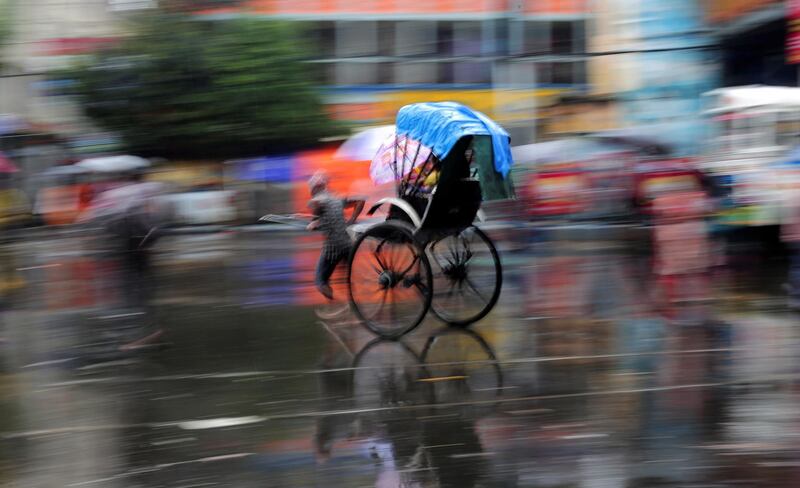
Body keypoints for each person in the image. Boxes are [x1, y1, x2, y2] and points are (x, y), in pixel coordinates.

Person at [307, 171, 364, 300]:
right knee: (347, 278)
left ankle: (338, 304)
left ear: (315, 188)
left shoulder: (318, 199)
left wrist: (314, 223)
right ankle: (353, 303)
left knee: (320, 282)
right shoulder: (337, 198)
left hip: (333, 247)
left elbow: (316, 206)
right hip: (349, 245)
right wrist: (352, 220)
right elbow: (360, 200)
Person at [781, 187, 800, 310]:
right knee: (797, 267)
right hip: (796, 238)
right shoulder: (794, 198)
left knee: (795, 266)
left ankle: (793, 290)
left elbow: (786, 221)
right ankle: (795, 293)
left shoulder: (791, 199)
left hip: (792, 239)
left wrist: (785, 235)